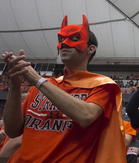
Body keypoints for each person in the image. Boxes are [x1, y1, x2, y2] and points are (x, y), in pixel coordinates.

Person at [2, 15, 126, 162]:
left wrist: (37, 80)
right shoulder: (41, 86)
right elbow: (12, 131)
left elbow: (85, 116)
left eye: (74, 39)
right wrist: (15, 85)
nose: (64, 44)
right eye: (61, 39)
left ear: (90, 49)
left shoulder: (103, 85)